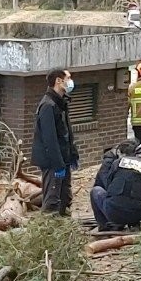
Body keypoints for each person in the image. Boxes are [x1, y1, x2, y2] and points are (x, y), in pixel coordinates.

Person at [32, 68, 79, 215]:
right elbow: (50, 139)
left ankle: (64, 226)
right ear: (59, 81)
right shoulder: (48, 105)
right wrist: (58, 165)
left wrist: (72, 155)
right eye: (68, 78)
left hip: (63, 158)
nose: (70, 81)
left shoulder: (60, 103)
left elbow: (66, 133)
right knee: (52, 200)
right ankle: (48, 230)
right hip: (53, 162)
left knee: (65, 196)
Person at [90, 140, 141, 230]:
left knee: (96, 190)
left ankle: (105, 226)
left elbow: (109, 185)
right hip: (137, 214)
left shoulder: (118, 162)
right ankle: (132, 223)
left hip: (112, 212)